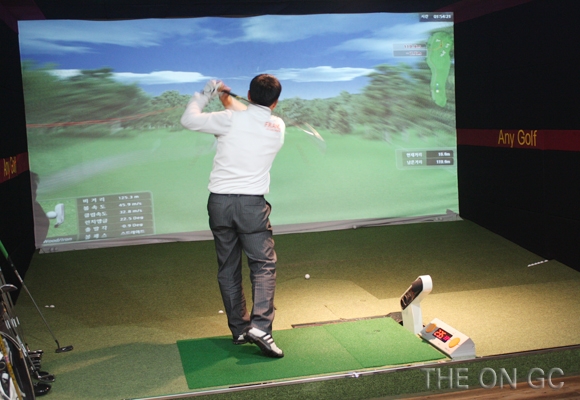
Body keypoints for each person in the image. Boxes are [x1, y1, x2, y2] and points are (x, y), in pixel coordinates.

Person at [180, 74, 285, 358]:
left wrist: (209, 92)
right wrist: (226, 97)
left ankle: (240, 329)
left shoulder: (229, 119)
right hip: (252, 207)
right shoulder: (277, 125)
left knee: (228, 267)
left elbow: (189, 120)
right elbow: (249, 116)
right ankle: (260, 327)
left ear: (249, 95)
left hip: (220, 204)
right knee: (263, 266)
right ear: (275, 102)